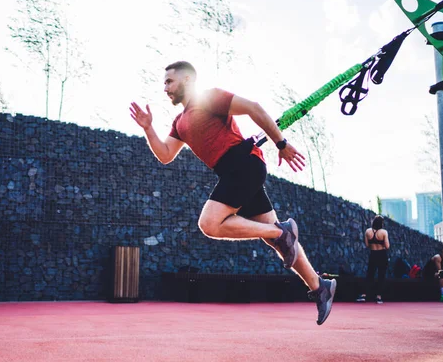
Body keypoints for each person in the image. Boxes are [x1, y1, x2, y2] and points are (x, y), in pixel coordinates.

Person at [129, 61, 336, 325]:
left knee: (209, 223)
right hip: (233, 174)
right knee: (280, 243)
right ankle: (320, 287)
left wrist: (281, 143)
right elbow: (166, 155)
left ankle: (280, 231)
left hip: (244, 164)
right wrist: (148, 128)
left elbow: (253, 108)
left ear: (188, 80)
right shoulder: (179, 122)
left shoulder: (209, 98)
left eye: (169, 81)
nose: (165, 88)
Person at [355, 215, 390, 304]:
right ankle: (378, 297)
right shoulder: (384, 232)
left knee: (370, 275)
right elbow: (387, 246)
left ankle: (364, 295)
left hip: (373, 254)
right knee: (381, 275)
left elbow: (367, 245)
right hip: (382, 254)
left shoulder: (368, 231)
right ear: (381, 223)